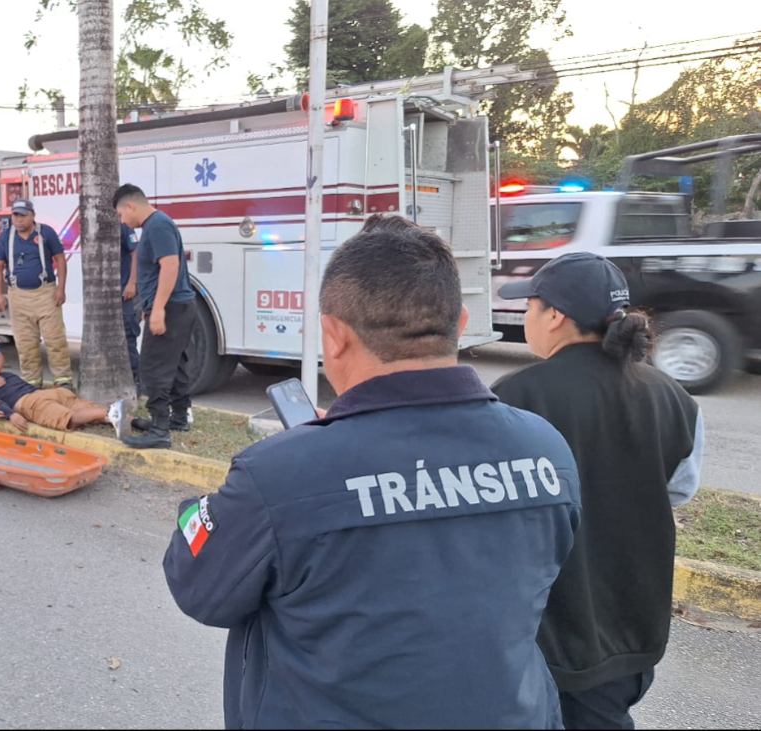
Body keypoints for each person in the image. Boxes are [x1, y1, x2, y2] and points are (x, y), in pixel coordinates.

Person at [162, 215, 583, 729]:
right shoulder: (547, 450)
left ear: (333, 337)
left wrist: (229, 498)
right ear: (460, 324)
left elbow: (198, 585)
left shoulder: (278, 477)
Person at [493, 252, 704, 731]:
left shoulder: (514, 398)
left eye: (530, 306)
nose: (524, 317)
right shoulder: (674, 397)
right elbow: (678, 491)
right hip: (634, 626)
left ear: (556, 316)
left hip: (554, 634)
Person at [114, 184, 197, 449]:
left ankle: (160, 429)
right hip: (178, 305)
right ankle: (179, 418)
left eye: (120, 214)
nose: (123, 222)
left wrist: (159, 309)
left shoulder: (157, 225)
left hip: (171, 307)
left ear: (130, 206)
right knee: (176, 364)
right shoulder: (157, 224)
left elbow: (170, 265)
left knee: (152, 367)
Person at [0, 199, 74, 390]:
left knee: (55, 340)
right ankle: (31, 383)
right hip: (18, 296)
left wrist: (61, 289)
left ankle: (63, 381)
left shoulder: (46, 233)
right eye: (15, 215)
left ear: (32, 216)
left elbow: (60, 260)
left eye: (23, 215)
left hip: (46, 294)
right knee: (25, 343)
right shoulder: (6, 237)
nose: (18, 220)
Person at [0, 371, 126, 435]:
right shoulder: (5, 375)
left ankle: (109, 412)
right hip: (54, 392)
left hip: (33, 403)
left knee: (69, 419)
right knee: (88, 411)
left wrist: (11, 415)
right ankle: (137, 422)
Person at [120, 222, 142, 387]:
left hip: (124, 292)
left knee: (128, 336)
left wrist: (132, 283)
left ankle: (135, 380)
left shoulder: (124, 227)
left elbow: (136, 253)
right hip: (104, 295)